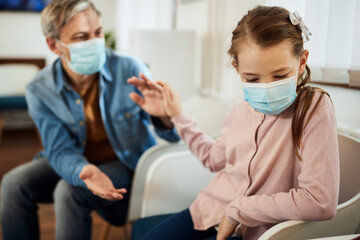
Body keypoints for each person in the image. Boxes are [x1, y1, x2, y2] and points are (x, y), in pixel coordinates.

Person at [128, 5, 340, 240]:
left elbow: (320, 201)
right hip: (208, 210)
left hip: (254, 231)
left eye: (279, 76)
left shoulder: (313, 107)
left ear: (301, 62)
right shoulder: (239, 111)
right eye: (252, 79)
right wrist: (176, 114)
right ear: (237, 69)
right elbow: (212, 158)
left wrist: (239, 210)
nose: (267, 88)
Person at [0, 0, 179, 239]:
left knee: (69, 191)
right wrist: (85, 170)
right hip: (76, 159)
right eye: (82, 37)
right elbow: (59, 149)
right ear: (54, 45)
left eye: (98, 33)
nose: (95, 43)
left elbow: (172, 134)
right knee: (13, 184)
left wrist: (166, 116)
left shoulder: (130, 68)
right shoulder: (39, 89)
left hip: (125, 161)